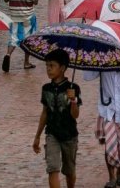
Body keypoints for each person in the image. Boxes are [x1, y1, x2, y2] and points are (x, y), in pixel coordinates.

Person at [34, 49, 81, 188]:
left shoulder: (73, 88)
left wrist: (73, 100)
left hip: (70, 135)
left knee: (69, 171)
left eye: (52, 66)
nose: (48, 69)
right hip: (52, 133)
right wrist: (37, 136)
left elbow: (76, 115)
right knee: (53, 168)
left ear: (62, 68)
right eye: (47, 65)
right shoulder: (46, 88)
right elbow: (45, 113)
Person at [0, 0, 39, 72]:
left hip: (14, 16)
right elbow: (35, 1)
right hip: (28, 17)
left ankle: (8, 54)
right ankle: (26, 62)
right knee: (28, 39)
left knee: (13, 38)